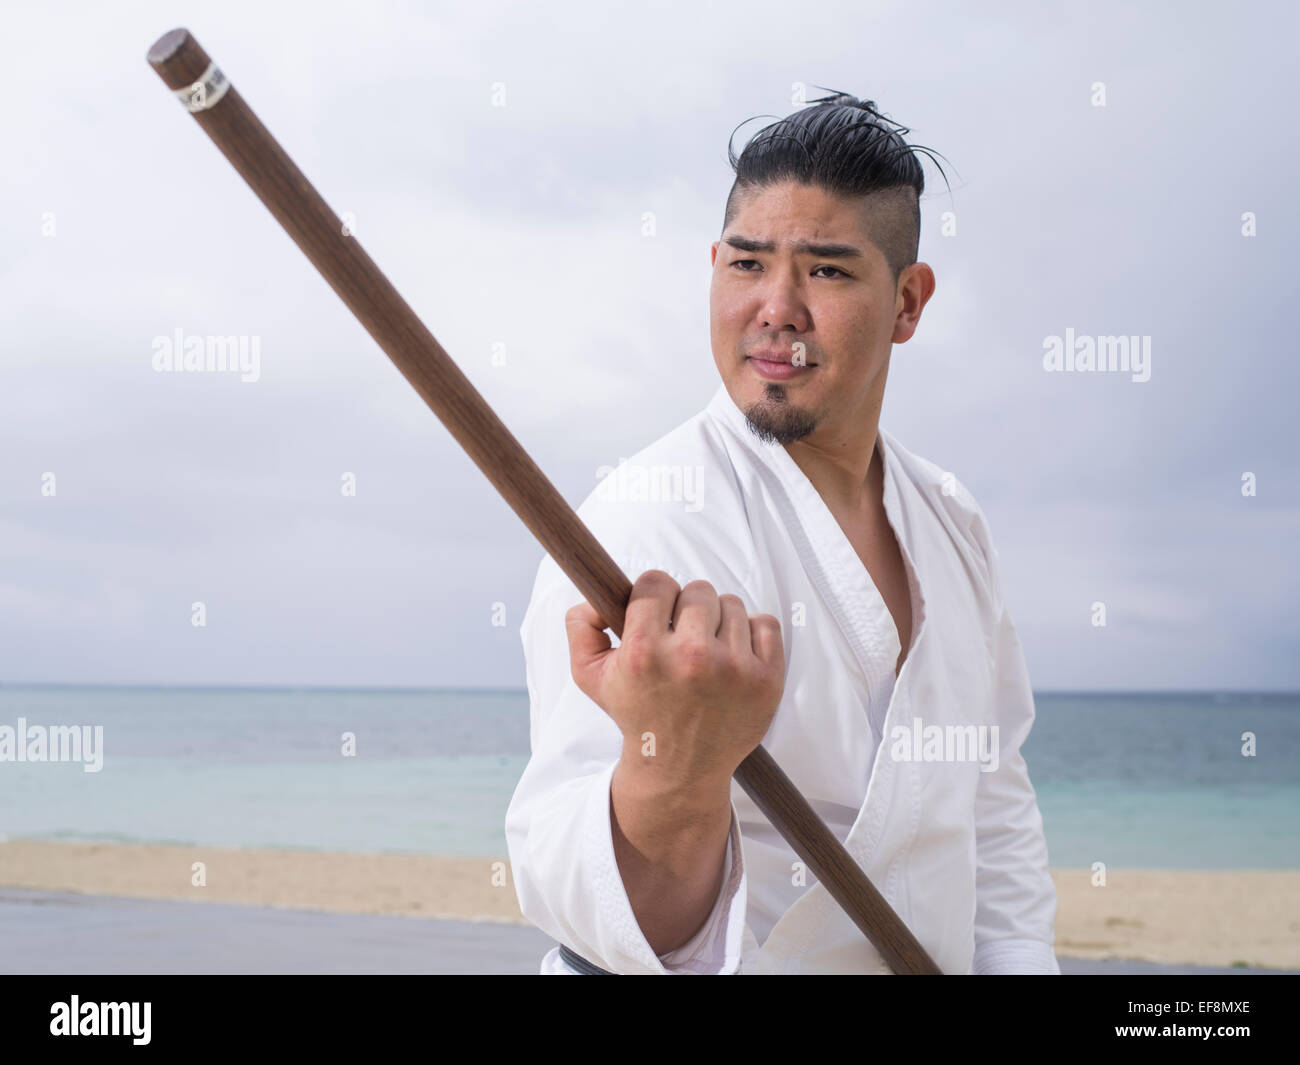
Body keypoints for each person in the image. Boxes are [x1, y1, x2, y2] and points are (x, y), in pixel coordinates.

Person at [504, 91, 1060, 975]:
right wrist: (670, 775)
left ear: (909, 303)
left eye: (829, 271)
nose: (777, 308)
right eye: (746, 265)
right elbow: (584, 905)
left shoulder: (950, 518)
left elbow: (991, 803)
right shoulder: (647, 519)